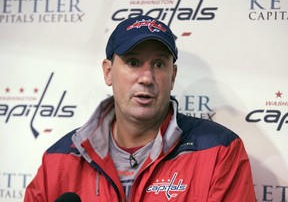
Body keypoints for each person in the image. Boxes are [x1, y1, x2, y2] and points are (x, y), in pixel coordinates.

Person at [24, 15, 256, 202]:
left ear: (172, 75)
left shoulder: (220, 151)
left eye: (158, 64)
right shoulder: (58, 160)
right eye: (133, 62)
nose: (146, 77)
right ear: (108, 72)